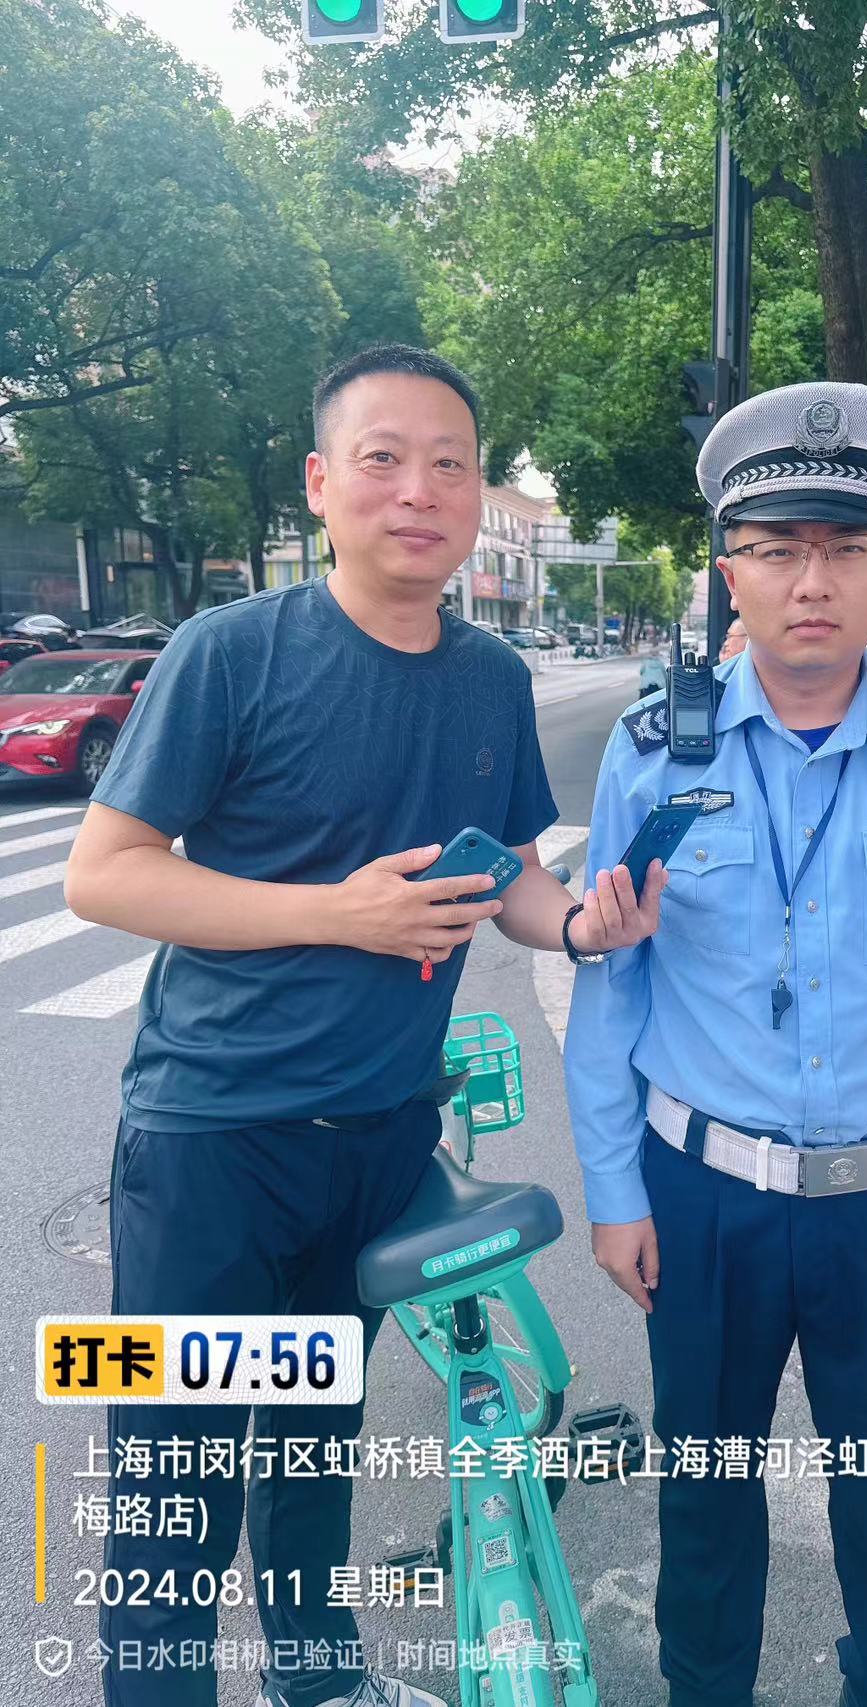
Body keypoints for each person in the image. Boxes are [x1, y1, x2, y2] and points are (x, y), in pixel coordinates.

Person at [64, 343, 663, 1707]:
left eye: (450, 464)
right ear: (322, 484)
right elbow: (104, 874)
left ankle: (319, 1680)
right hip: (214, 1142)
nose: (419, 490)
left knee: (311, 1447)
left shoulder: (489, 677)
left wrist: (582, 923)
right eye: (383, 459)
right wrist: (339, 914)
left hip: (383, 1141)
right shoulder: (233, 652)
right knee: (176, 1480)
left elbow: (511, 878)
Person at [563, 381, 867, 1707]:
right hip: (704, 1197)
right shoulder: (651, 753)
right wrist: (613, 1190)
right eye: (777, 547)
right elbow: (612, 981)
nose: (811, 581)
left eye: (846, 547)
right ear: (729, 567)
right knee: (706, 1484)